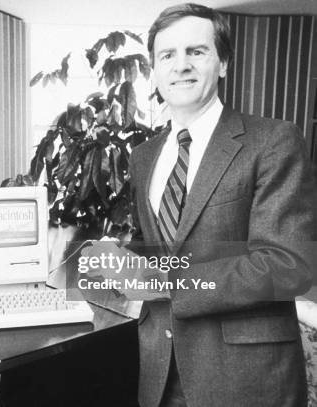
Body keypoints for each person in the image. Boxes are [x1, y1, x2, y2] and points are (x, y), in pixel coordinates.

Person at [127, 3, 317, 407]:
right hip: (159, 372)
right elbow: (152, 245)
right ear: (155, 70)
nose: (181, 66)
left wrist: (176, 285)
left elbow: (288, 265)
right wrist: (106, 262)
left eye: (196, 51)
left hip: (246, 378)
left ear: (224, 63)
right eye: (167, 55)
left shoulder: (273, 141)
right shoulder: (142, 157)